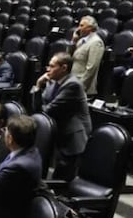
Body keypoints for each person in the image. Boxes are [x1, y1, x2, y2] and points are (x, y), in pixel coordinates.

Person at [31, 52, 92, 181]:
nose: (48, 69)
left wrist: (42, 103)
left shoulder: (72, 85)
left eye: (52, 66)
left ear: (64, 68)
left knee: (63, 179)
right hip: (60, 132)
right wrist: (38, 86)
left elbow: (47, 111)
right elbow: (38, 110)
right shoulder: (54, 82)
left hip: (72, 137)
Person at [71, 15, 104, 96]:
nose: (78, 28)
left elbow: (91, 68)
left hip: (84, 87)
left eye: (81, 25)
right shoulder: (81, 40)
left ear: (90, 28)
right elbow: (69, 57)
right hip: (73, 81)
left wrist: (80, 85)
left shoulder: (96, 42)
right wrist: (74, 41)